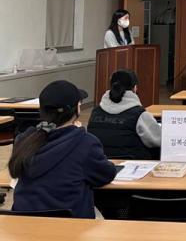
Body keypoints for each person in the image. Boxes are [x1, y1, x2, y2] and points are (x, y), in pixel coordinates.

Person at [9, 80, 117, 218]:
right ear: (77, 108)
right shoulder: (85, 143)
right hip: (70, 226)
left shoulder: (24, 140)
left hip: (23, 224)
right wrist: (78, 132)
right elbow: (106, 175)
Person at [87, 69, 161, 159]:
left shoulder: (95, 111)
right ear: (135, 88)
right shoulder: (139, 114)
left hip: (99, 163)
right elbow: (158, 140)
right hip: (133, 164)